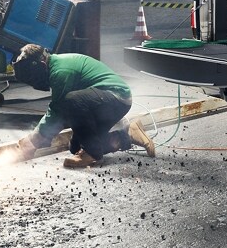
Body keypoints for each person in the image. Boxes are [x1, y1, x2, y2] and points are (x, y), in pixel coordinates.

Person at [10, 43, 157, 169]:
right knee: (75, 147)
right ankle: (126, 135)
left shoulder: (61, 71)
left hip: (117, 97)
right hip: (103, 101)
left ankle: (92, 154)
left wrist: (32, 141)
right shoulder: (54, 66)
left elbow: (56, 111)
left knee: (71, 101)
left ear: (41, 64)